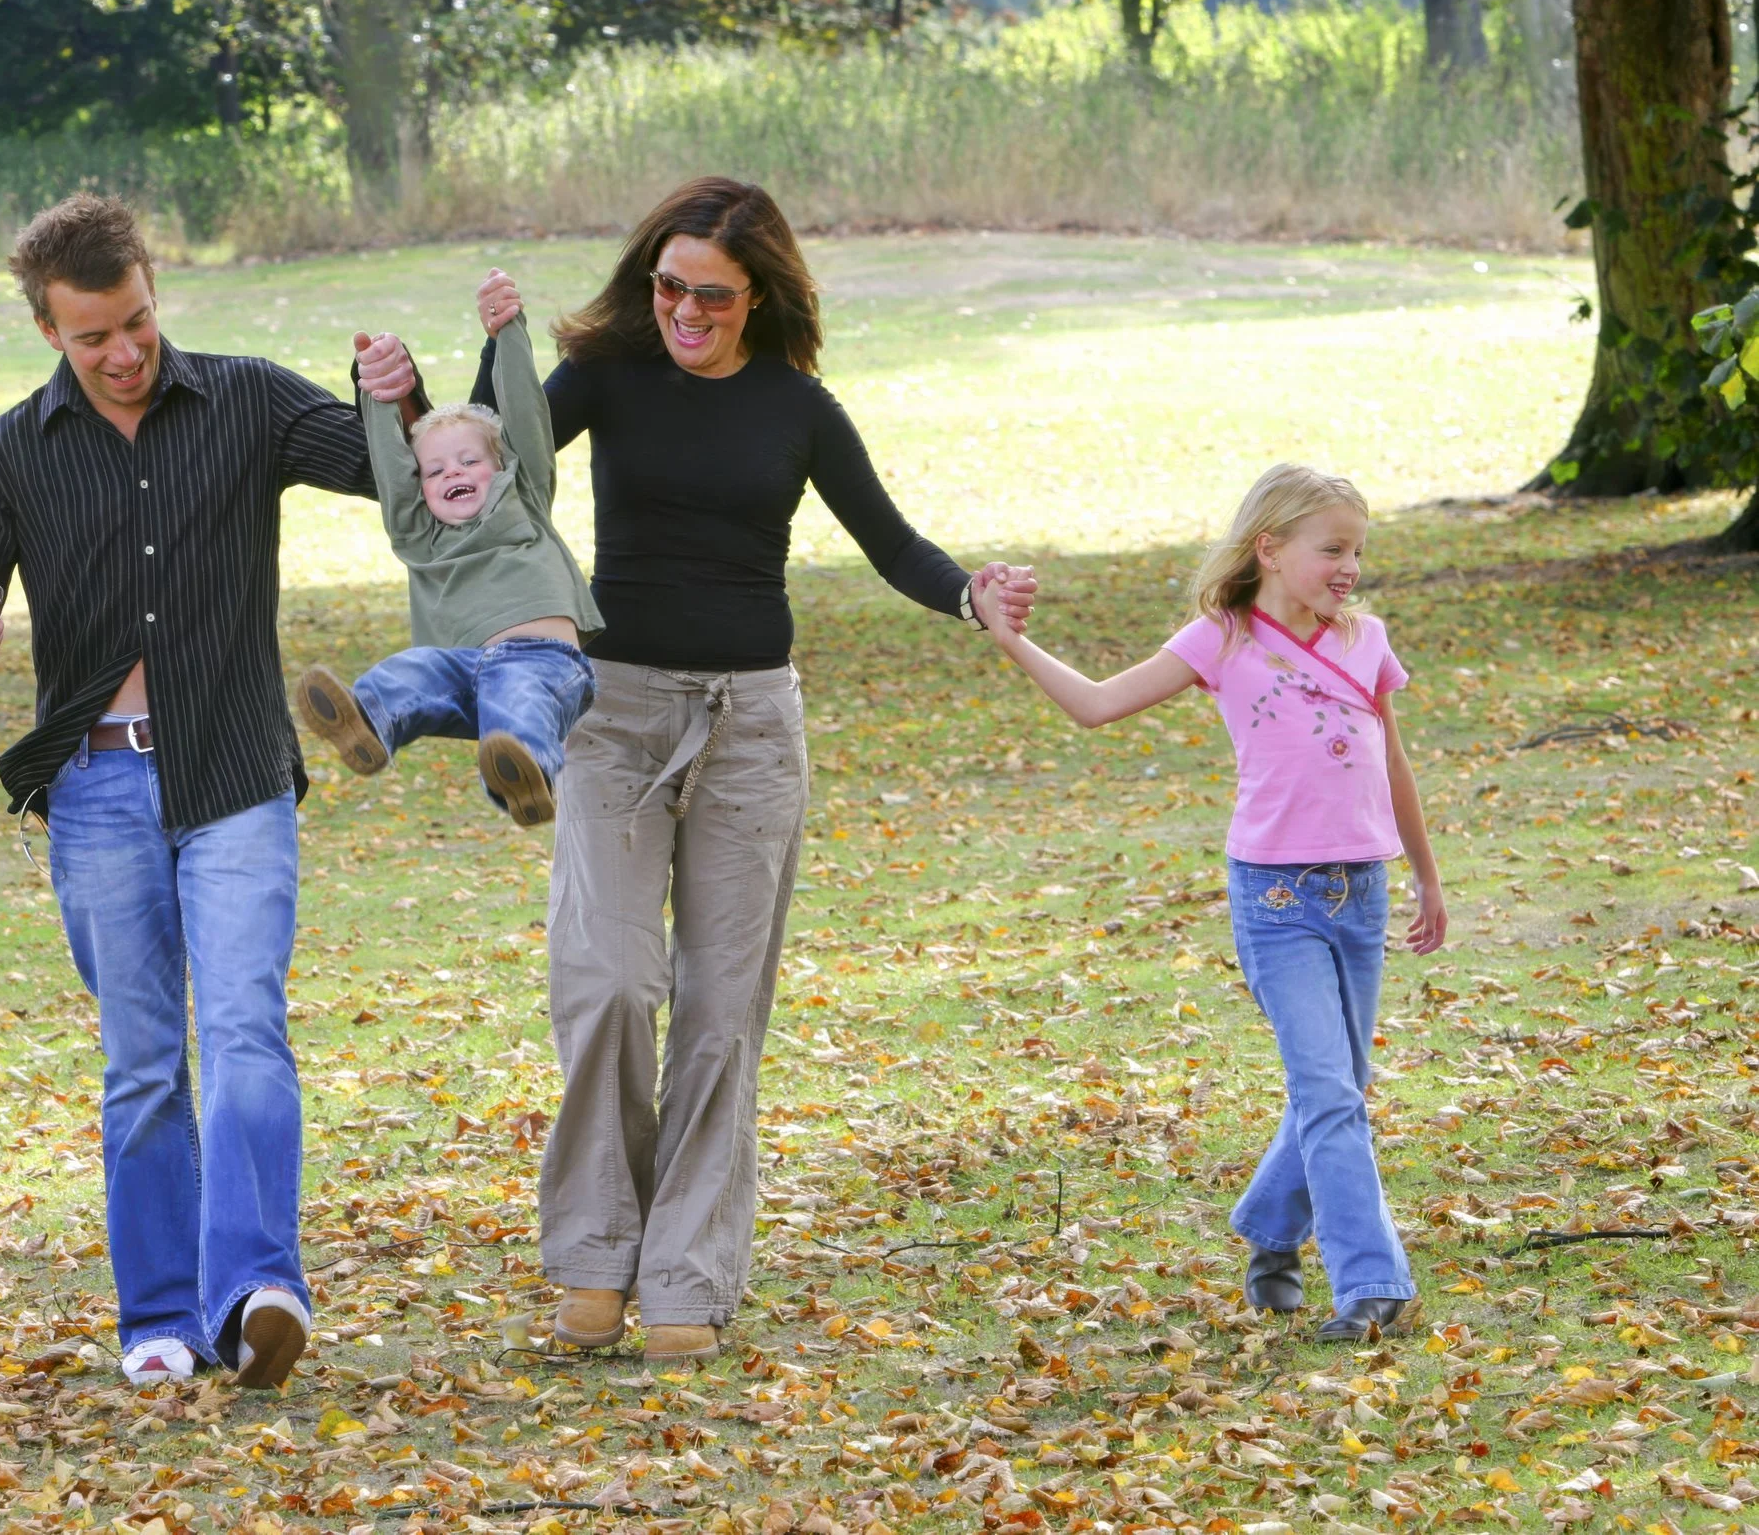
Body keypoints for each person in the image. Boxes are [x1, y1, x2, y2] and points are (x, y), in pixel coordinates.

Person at [472, 178, 1034, 1361]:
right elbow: (496, 466)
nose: (683, 308)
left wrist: (971, 595)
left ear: (757, 294)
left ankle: (683, 1273)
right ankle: (591, 1254)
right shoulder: (609, 376)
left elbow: (890, 543)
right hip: (612, 714)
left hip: (748, 730)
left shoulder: (798, 406)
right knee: (609, 986)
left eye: (709, 295)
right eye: (667, 285)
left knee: (721, 1016)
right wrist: (497, 357)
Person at [0, 193, 423, 1389]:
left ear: (152, 290)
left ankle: (255, 1292)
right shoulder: (12, 451)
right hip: (94, 789)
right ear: (50, 332)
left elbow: (394, 473)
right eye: (95, 338)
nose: (125, 353)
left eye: (137, 321)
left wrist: (398, 391)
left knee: (244, 1029)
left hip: (235, 770)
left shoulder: (244, 396)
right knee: (143, 1059)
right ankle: (159, 1318)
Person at [976, 462, 1446, 1340]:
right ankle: (1370, 1286)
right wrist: (1012, 642)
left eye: (1358, 550)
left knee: (1344, 1085)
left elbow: (1393, 762)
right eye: (1331, 548)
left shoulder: (1365, 638)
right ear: (1269, 548)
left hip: (1363, 893)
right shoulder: (1220, 638)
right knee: (1329, 1092)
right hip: (1275, 898)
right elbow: (1097, 703)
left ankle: (1270, 1233)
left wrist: (1426, 871)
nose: (1349, 566)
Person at [293, 299, 601, 827]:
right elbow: (392, 469)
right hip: (465, 674)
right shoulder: (421, 538)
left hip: (544, 663)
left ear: (500, 467)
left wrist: (508, 333)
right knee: (413, 669)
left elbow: (526, 412)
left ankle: (526, 778)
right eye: (433, 470)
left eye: (468, 461)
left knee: (517, 701)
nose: (450, 472)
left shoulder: (522, 497)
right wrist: (378, 396)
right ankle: (368, 722)